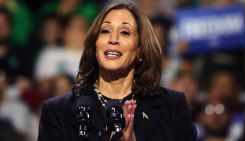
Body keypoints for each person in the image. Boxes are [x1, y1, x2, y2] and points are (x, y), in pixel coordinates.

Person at [38, 2, 196, 141]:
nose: (113, 39)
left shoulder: (172, 106)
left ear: (140, 50)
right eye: (105, 31)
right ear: (95, 45)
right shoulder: (57, 111)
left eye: (125, 32)